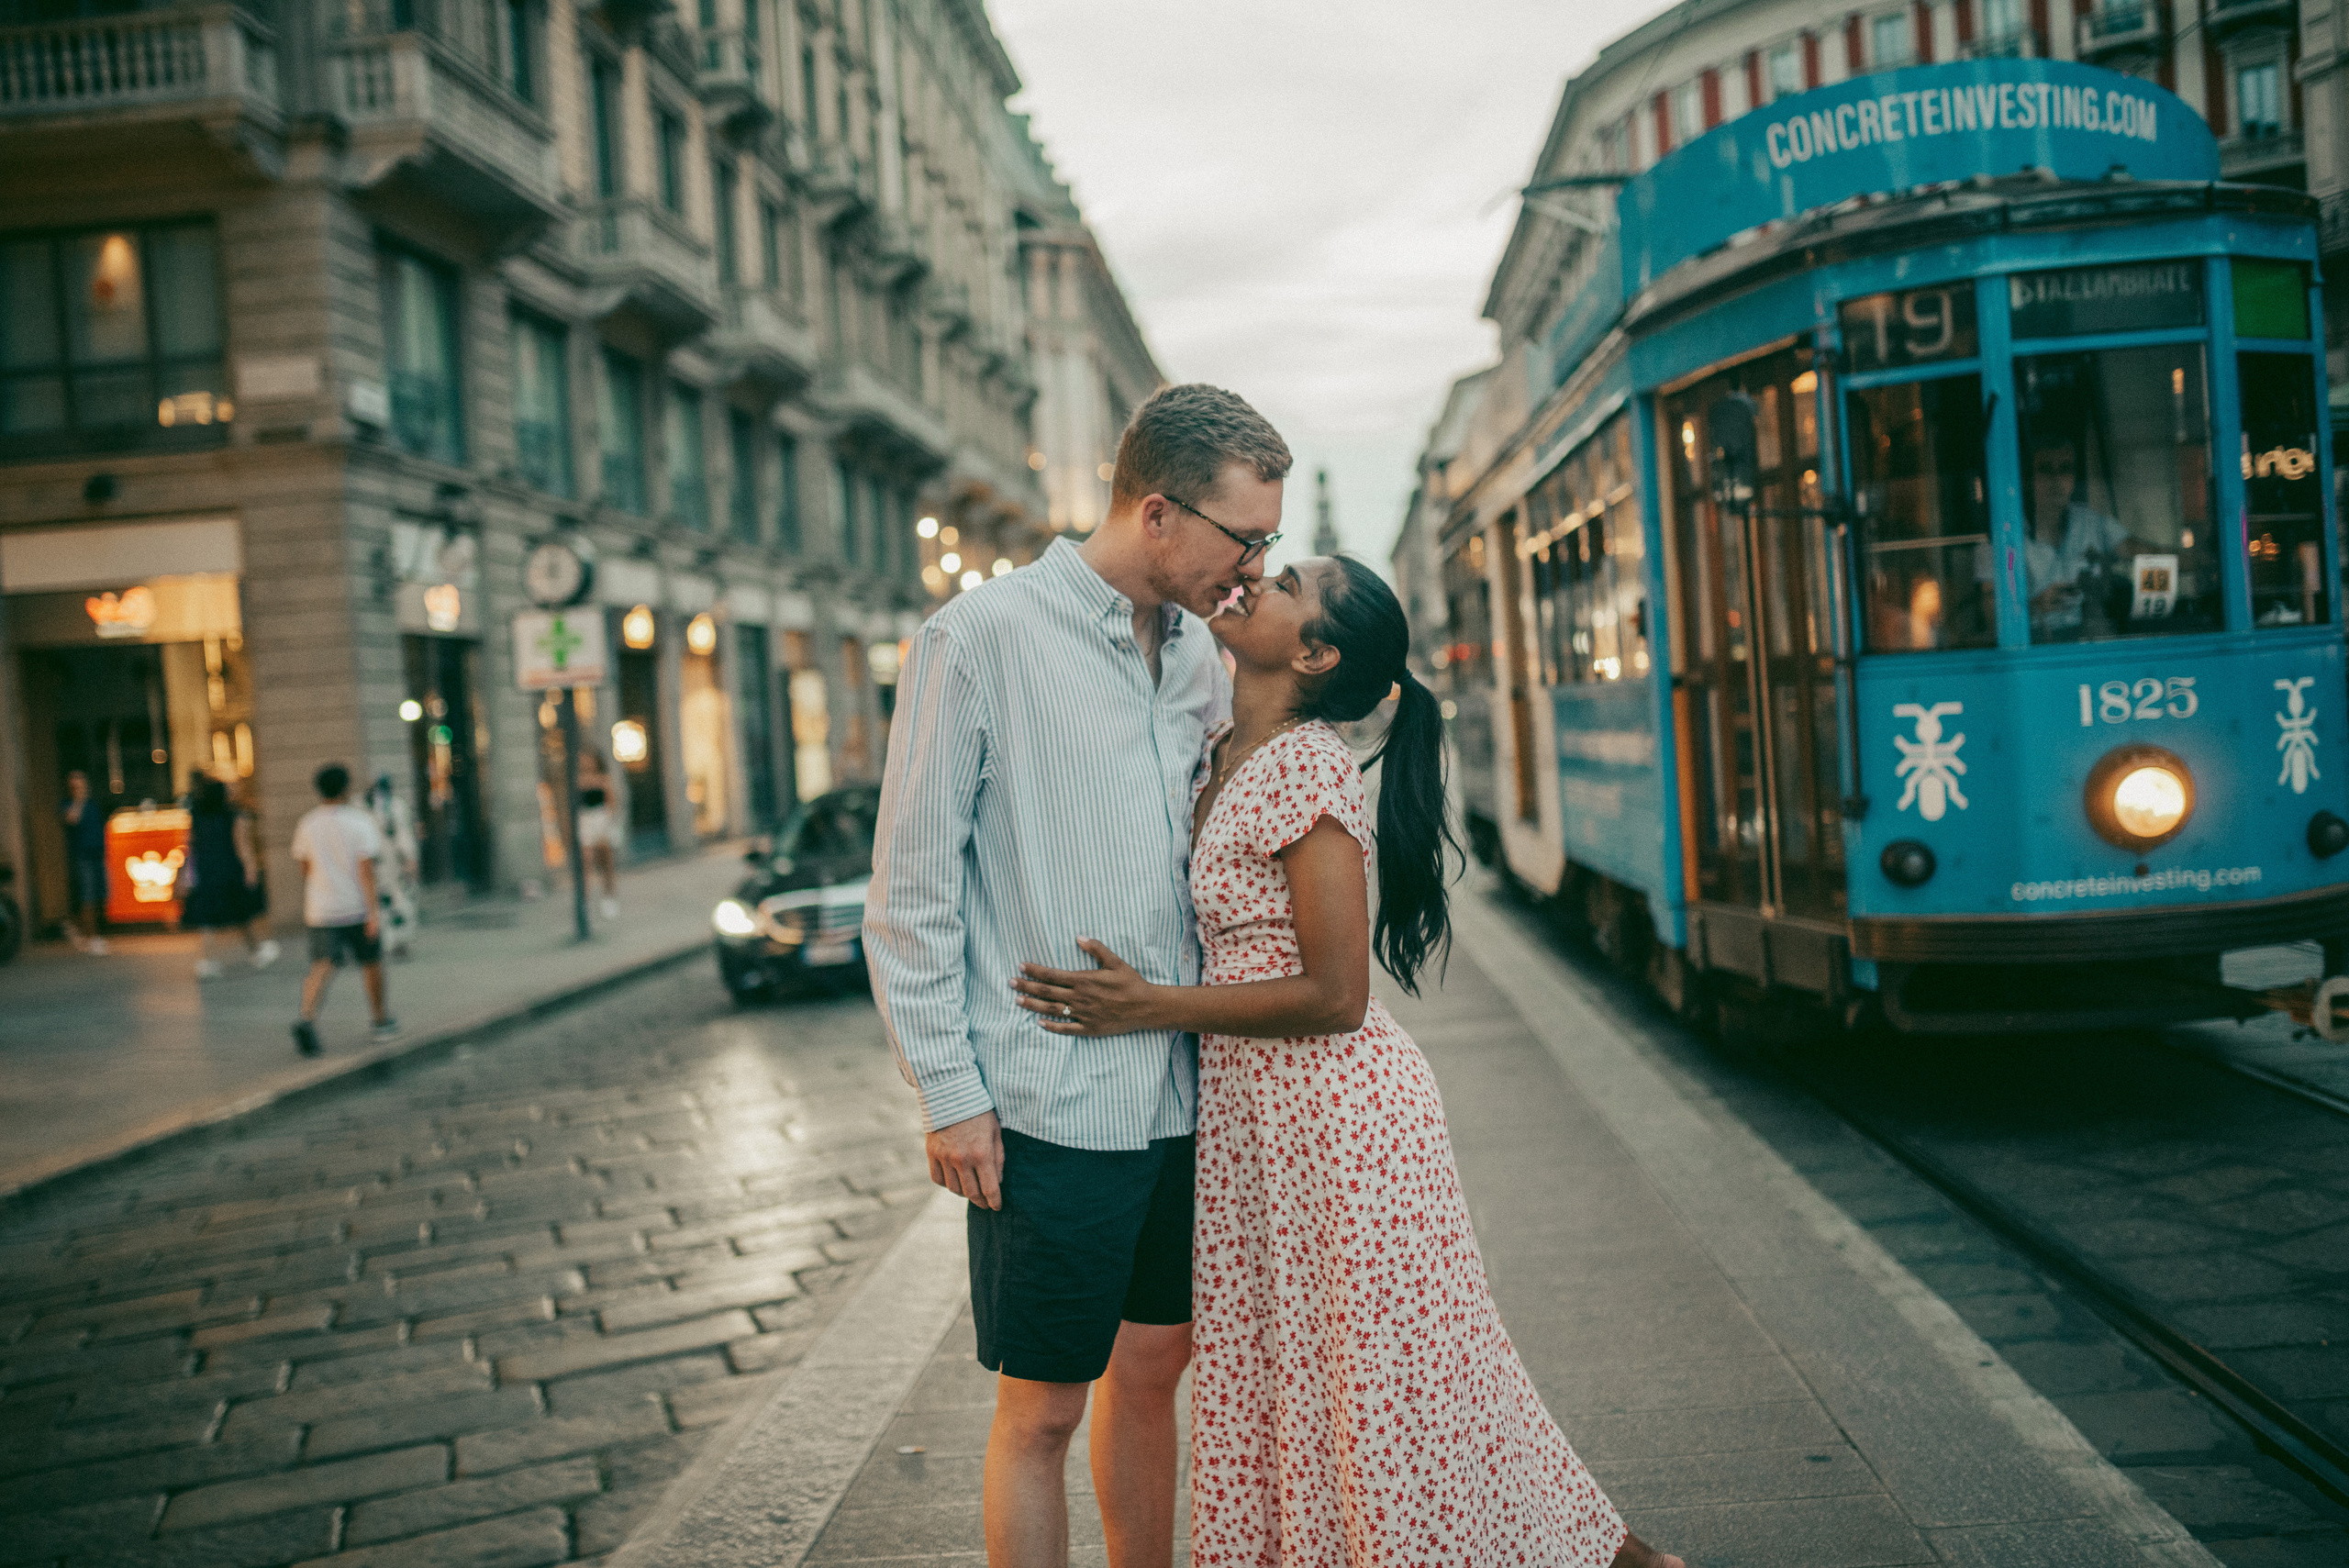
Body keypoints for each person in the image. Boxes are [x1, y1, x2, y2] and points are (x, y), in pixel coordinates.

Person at [1011, 557, 1684, 1568]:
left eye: (1284, 583)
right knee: (1344, 1378)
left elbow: (1337, 994)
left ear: (1315, 653)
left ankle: (1620, 1560)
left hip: (1339, 1119)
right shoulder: (1222, 745)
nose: (1253, 580)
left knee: (1401, 1382)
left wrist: (1149, 1006)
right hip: (1263, 1119)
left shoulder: (1307, 768)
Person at [865, 383, 1288, 1568]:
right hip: (1050, 1103)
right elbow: (909, 894)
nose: (1255, 565)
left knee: (1154, 1369)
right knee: (1043, 1408)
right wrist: (950, 1094)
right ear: (1158, 512)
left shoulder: (1201, 652)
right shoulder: (979, 638)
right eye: (1243, 537)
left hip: (1186, 1096)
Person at [291, 762, 398, 1056]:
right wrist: (373, 912)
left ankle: (307, 1017)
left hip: (321, 909)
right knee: (371, 963)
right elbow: (366, 871)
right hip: (356, 908)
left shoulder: (307, 824)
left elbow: (304, 868)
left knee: (323, 964)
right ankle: (380, 1021)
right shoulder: (359, 822)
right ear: (346, 789)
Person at [2023, 434, 2141, 640]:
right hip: (2035, 650)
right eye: (2046, 470)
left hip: (2089, 644)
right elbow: (1993, 617)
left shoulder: (2091, 523)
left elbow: (2138, 551)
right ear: (2029, 478)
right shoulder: (2006, 540)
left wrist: (2198, 560)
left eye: (2065, 470)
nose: (2056, 480)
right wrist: (2035, 605)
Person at [184, 774, 280, 977]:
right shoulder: (233, 814)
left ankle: (207, 961)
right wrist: (250, 869)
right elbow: (241, 844)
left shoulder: (197, 815)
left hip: (206, 870)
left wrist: (187, 872)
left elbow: (190, 844)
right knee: (242, 912)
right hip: (230, 868)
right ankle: (257, 951)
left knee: (208, 919)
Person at [363, 773, 420, 959]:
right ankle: (397, 942)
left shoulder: (366, 807)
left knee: (385, 903)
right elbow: (404, 835)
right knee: (398, 901)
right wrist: (410, 859)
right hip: (392, 863)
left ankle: (390, 942)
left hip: (378, 863)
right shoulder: (394, 805)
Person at [60, 769, 108, 954]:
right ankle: (91, 937)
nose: (79, 789)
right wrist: (78, 800)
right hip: (82, 856)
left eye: (81, 784)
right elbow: (72, 820)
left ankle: (81, 930)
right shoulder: (67, 804)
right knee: (87, 896)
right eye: (75, 786)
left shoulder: (93, 805)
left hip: (97, 854)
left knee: (100, 895)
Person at [574, 751, 620, 919]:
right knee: (586, 862)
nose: (586, 763)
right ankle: (584, 902)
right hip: (585, 821)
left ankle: (609, 898)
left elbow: (611, 802)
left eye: (589, 760)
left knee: (605, 862)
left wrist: (607, 823)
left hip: (601, 819)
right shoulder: (577, 779)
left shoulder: (603, 779)